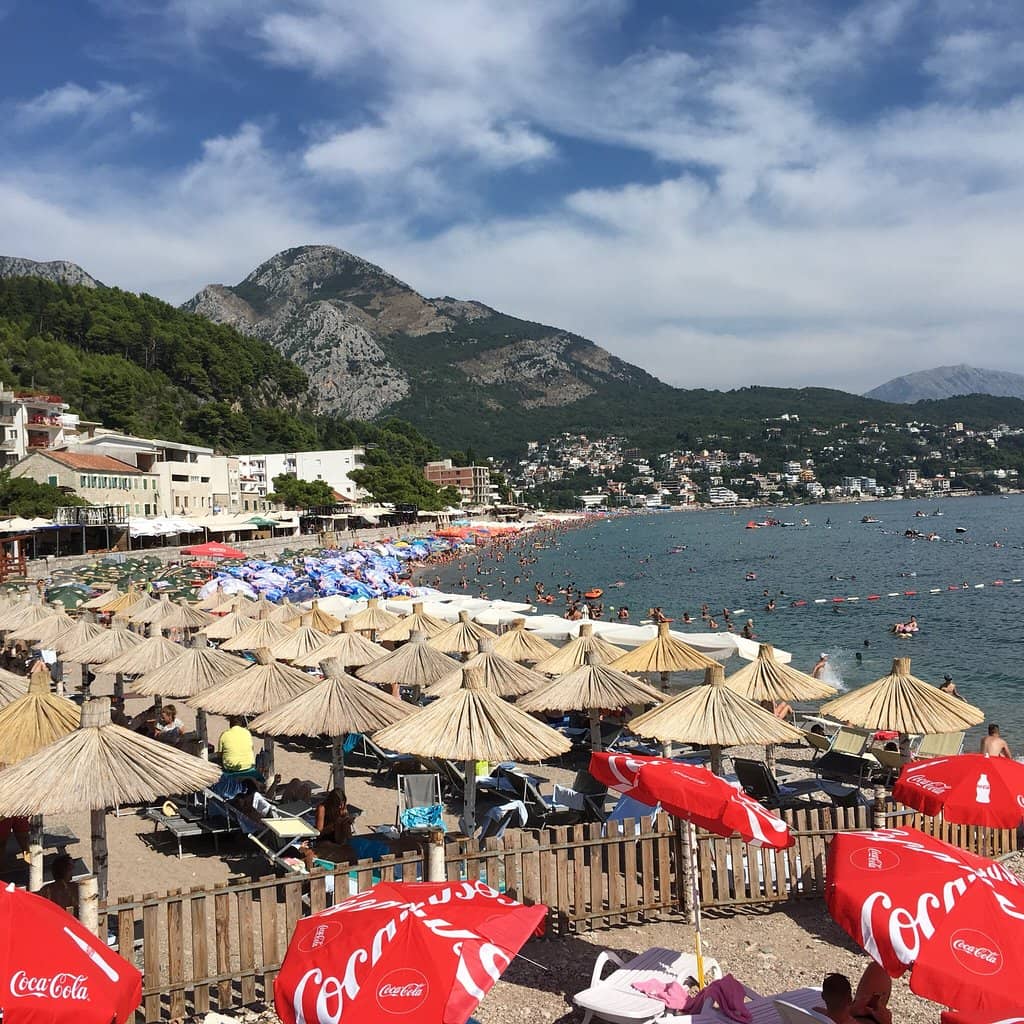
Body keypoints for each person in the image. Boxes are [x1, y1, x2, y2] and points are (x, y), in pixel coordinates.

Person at [819, 965, 891, 1024]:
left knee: (877, 968)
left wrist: (853, 1010)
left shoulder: (816, 1013)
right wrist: (885, 1020)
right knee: (878, 969)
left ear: (823, 996)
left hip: (855, 1013)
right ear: (850, 999)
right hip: (870, 1018)